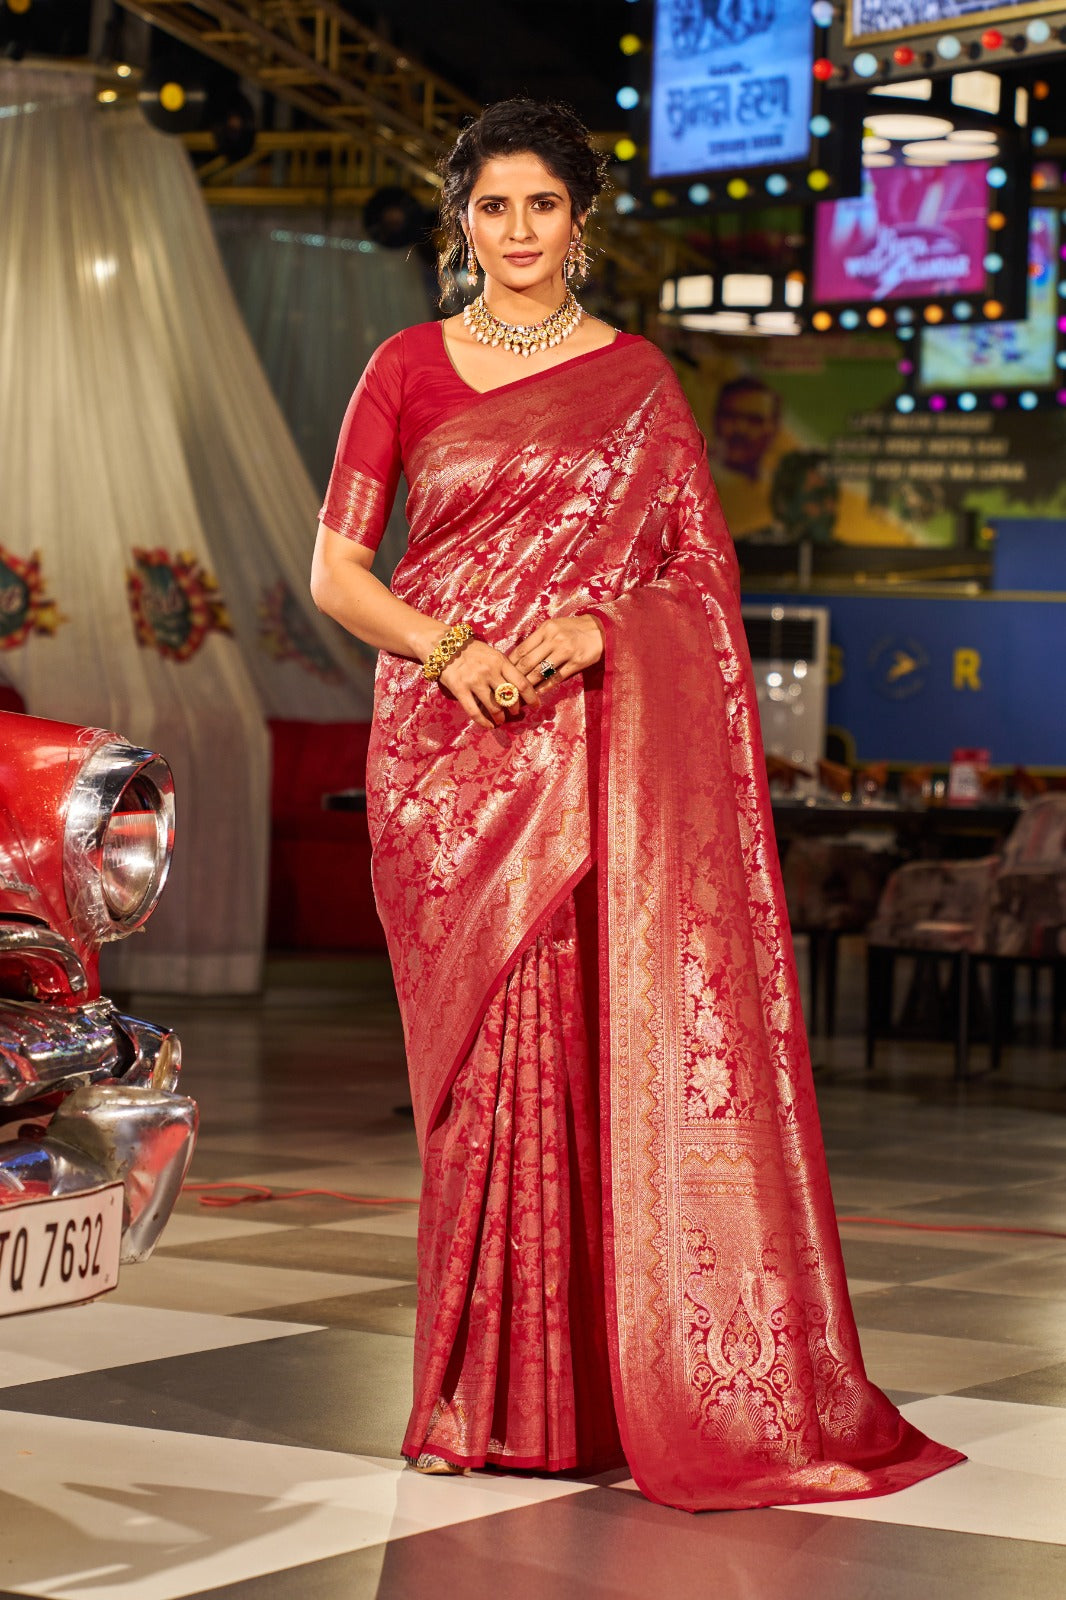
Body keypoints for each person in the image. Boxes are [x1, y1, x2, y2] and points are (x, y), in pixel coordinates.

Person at [310, 97, 964, 1512]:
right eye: (493, 207)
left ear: (581, 221)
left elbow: (697, 587)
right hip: (448, 759)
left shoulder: (640, 384)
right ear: (459, 221)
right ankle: (476, 1398)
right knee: (482, 1083)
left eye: (541, 206)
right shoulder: (406, 369)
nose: (517, 232)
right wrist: (452, 648)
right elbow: (336, 573)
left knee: (590, 1061)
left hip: (593, 760)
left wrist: (609, 632)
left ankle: (597, 1394)